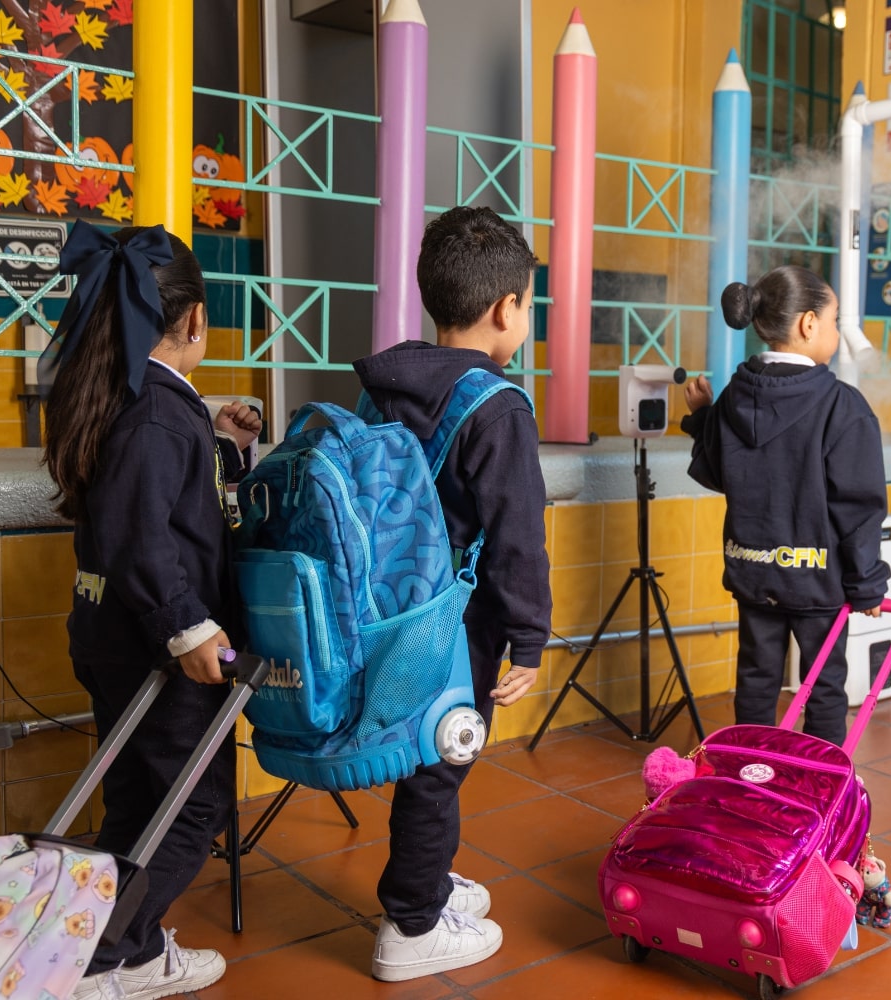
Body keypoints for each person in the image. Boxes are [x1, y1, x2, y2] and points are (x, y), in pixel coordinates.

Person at [40, 220, 262, 1000]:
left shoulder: (130, 402)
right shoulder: (162, 418)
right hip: (157, 651)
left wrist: (222, 441)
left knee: (139, 800)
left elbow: (154, 507)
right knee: (195, 806)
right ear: (195, 319)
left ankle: (99, 946)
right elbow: (145, 540)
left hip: (108, 638)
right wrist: (188, 625)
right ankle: (109, 962)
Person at [353, 206, 552, 982]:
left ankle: (427, 883)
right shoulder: (496, 408)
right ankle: (411, 922)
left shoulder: (381, 387)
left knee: (421, 757)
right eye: (529, 304)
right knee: (441, 761)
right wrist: (529, 638)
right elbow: (516, 538)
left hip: (382, 614)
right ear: (506, 309)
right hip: (454, 624)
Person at [680, 265, 890, 747]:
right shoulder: (842, 406)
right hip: (816, 578)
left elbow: (719, 472)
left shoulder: (734, 397)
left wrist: (701, 418)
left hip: (753, 571)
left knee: (756, 679)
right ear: (808, 324)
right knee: (823, 686)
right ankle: (820, 788)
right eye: (835, 322)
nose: (836, 333)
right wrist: (866, 585)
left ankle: (750, 777)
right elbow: (857, 505)